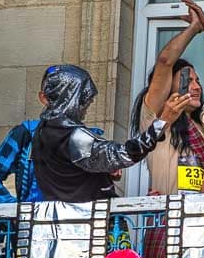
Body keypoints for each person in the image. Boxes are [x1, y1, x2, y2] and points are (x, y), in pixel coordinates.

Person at [130, 0, 204, 195]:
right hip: (169, 217)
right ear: (167, 87)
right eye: (187, 80)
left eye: (197, 81)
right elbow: (165, 61)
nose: (196, 86)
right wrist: (193, 28)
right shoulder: (155, 116)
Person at [32, 64, 191, 203]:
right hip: (87, 226)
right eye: (83, 99)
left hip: (63, 223)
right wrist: (163, 121)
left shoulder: (42, 131)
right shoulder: (73, 135)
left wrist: (102, 171)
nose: (88, 104)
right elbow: (125, 153)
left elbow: (69, 176)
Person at [0, 66, 116, 203]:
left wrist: (105, 171)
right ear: (44, 98)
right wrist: (12, 209)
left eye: (81, 99)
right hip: (37, 221)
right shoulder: (27, 134)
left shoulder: (89, 139)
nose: (78, 105)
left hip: (82, 221)